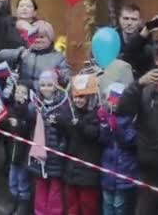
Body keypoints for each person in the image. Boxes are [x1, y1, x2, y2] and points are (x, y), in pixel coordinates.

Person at [116, 39, 158, 215]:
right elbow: (122, 108)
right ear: (157, 60)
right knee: (146, 208)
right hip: (151, 162)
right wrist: (138, 84)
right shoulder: (145, 86)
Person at [29, 70, 71, 215]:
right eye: (42, 85)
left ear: (55, 86)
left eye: (49, 85)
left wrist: (61, 148)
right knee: (40, 188)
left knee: (55, 191)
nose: (45, 88)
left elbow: (67, 129)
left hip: (55, 155)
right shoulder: (35, 104)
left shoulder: (64, 105)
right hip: (39, 155)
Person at [59, 74, 102, 215]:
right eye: (76, 96)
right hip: (71, 169)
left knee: (88, 206)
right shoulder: (71, 113)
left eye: (82, 96)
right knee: (71, 204)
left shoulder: (97, 115)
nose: (78, 99)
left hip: (88, 172)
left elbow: (94, 134)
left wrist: (80, 125)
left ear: (90, 97)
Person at [98, 83, 138, 215]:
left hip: (124, 170)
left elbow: (129, 141)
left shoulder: (131, 119)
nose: (114, 104)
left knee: (119, 205)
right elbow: (103, 140)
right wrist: (104, 124)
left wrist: (117, 128)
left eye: (117, 101)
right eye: (111, 101)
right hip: (108, 169)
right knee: (107, 203)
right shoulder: (109, 116)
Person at [0, 20, 71, 89]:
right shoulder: (25, 51)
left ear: (50, 39)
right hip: (20, 93)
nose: (38, 40)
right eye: (35, 37)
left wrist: (59, 74)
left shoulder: (58, 57)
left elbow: (66, 79)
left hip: (43, 93)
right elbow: (0, 55)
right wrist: (19, 54)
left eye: (42, 37)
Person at [5, 80, 33, 215]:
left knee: (23, 178)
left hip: (24, 150)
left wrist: (19, 123)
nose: (20, 94)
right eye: (18, 91)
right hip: (13, 148)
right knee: (12, 176)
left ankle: (23, 202)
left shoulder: (30, 109)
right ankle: (12, 198)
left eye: (23, 92)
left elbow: (27, 127)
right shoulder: (11, 108)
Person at [117, 4, 152, 78]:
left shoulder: (147, 40)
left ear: (140, 21)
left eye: (134, 19)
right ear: (119, 19)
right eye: (126, 18)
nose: (129, 23)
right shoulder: (112, 37)